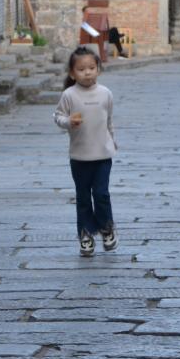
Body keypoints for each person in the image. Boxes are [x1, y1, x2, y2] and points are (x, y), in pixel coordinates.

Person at [53, 48, 118, 258]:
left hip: (103, 155)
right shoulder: (69, 95)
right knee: (83, 197)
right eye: (81, 69)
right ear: (72, 73)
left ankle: (106, 227)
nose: (87, 72)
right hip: (79, 156)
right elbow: (58, 116)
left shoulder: (105, 93)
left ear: (98, 69)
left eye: (91, 67)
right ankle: (86, 234)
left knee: (101, 194)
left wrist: (112, 140)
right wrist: (68, 121)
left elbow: (109, 121)